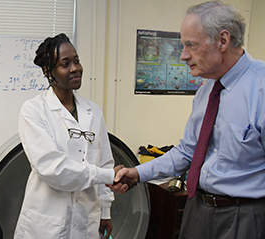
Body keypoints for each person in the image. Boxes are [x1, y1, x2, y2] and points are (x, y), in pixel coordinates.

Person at [111, 1, 265, 239]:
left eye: (190, 45)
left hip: (244, 216)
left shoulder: (261, 89)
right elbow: (187, 152)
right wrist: (138, 173)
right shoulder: (206, 91)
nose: (183, 56)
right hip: (198, 209)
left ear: (222, 41)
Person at [14, 33, 126, 239]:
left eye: (76, 60)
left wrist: (106, 211)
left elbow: (104, 162)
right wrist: (110, 176)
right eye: (65, 64)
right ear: (49, 71)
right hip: (47, 221)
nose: (75, 68)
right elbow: (54, 169)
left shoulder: (93, 111)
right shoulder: (34, 110)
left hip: (87, 219)